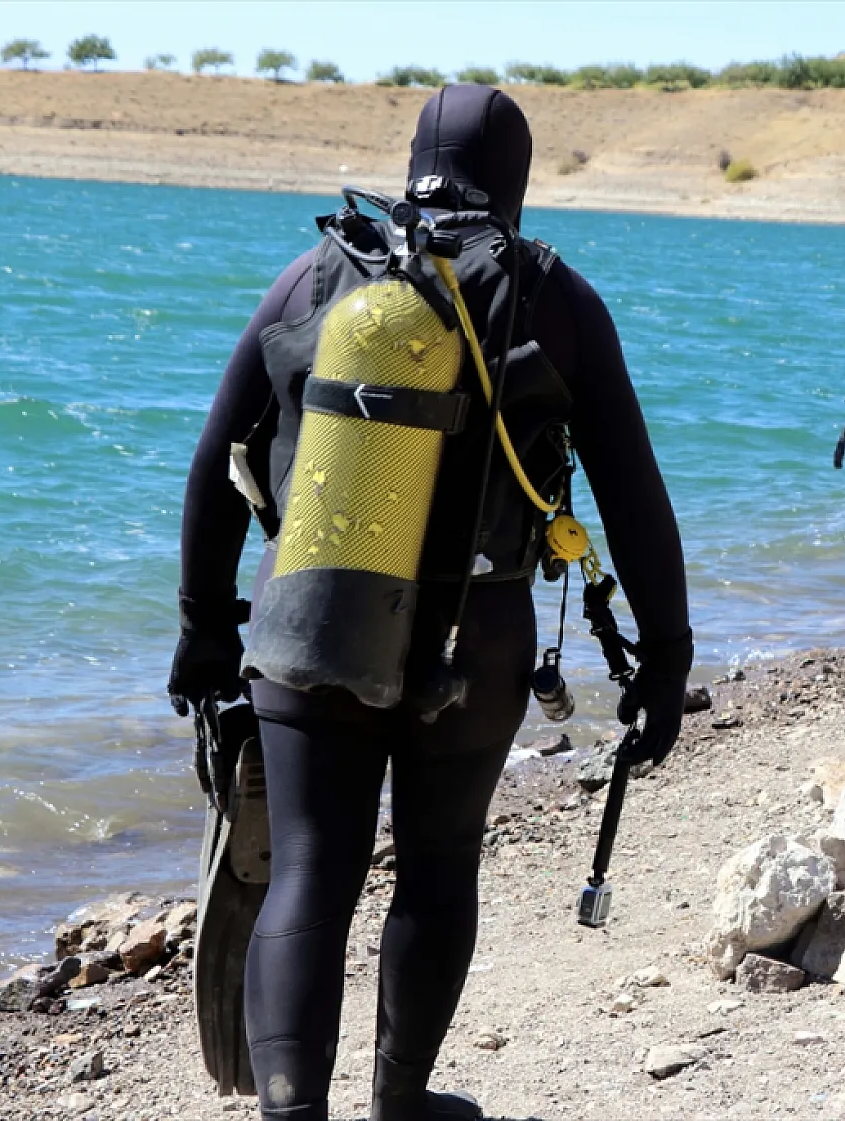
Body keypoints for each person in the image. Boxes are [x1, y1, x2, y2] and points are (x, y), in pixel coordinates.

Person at [167, 85, 691, 1121]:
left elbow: (212, 463)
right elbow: (632, 494)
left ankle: (289, 1111)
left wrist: (202, 626)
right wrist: (663, 657)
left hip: (309, 616)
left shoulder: (316, 272)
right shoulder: (554, 298)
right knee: (440, 865)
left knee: (309, 867)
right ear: (516, 181)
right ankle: (400, 1105)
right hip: (478, 634)